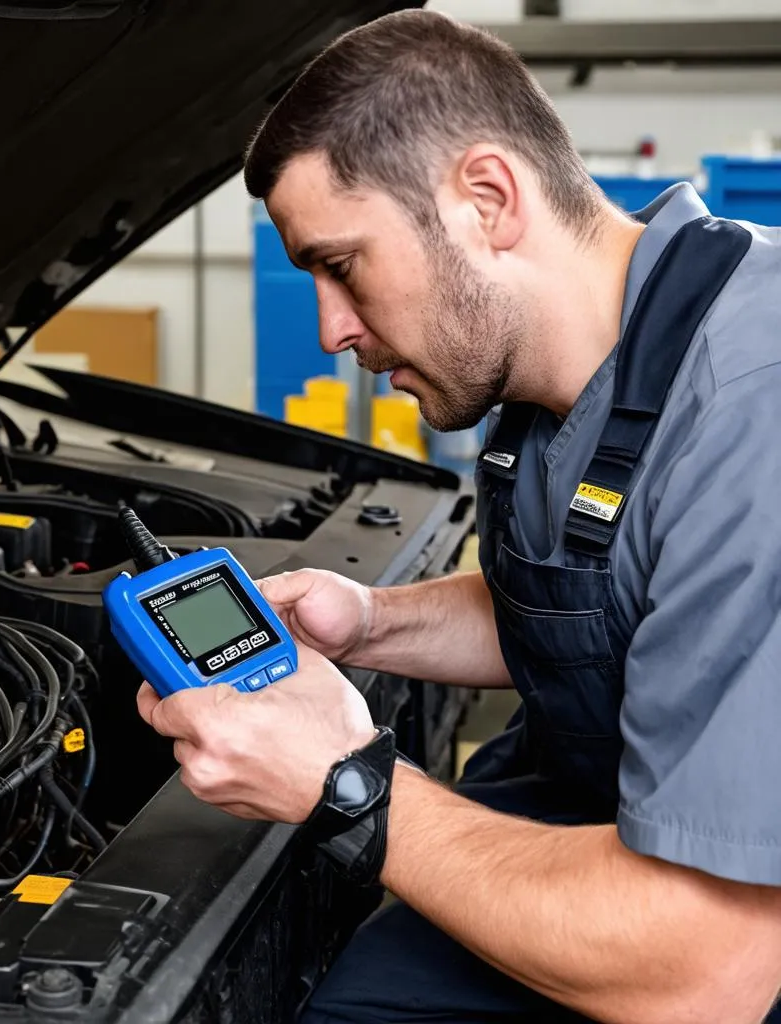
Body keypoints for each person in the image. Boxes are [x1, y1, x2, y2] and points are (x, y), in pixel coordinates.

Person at [136, 9, 781, 1022]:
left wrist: (346, 781)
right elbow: (610, 591)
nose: (330, 328)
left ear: (486, 197)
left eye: (341, 264)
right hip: (612, 823)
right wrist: (372, 622)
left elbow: (707, 972)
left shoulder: (754, 405)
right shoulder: (564, 368)